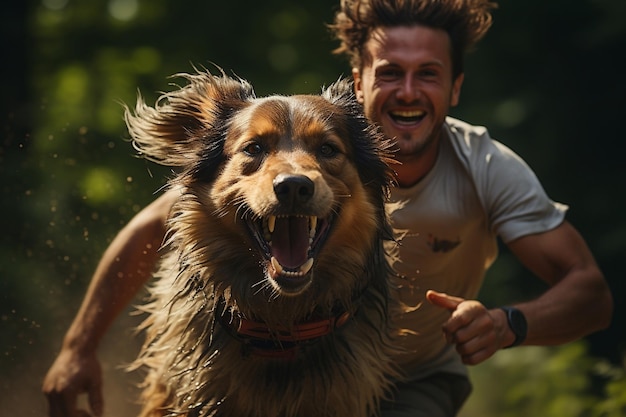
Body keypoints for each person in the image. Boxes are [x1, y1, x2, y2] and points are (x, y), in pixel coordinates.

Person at [43, 0, 613, 416]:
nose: (409, 91)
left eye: (429, 74)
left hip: (409, 377)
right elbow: (150, 230)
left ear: (456, 87)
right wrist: (77, 348)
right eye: (391, 72)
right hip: (234, 339)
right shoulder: (283, 154)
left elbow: (589, 290)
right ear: (359, 81)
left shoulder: (486, 167)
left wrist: (507, 323)